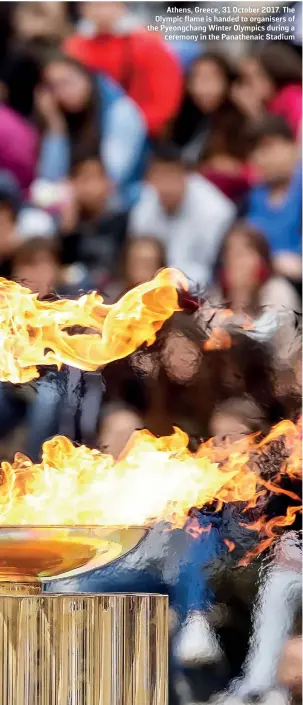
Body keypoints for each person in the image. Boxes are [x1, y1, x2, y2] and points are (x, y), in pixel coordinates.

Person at [36, 54, 147, 205]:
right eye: (54, 87)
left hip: (124, 197)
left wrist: (71, 191)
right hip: (76, 197)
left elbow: (112, 177)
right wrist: (55, 125)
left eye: (67, 82)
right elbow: (49, 178)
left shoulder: (120, 111)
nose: (62, 92)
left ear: (86, 77)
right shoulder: (62, 114)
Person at [63, 1, 182, 137]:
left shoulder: (148, 44)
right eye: (95, 5)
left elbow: (164, 102)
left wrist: (131, 126)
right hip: (86, 129)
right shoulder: (73, 48)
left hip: (138, 130)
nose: (102, 12)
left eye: (108, 4)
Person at [129, 143, 236, 288]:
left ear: (186, 175)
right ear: (149, 179)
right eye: (159, 176)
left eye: (172, 175)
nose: (166, 185)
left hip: (204, 291)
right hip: (155, 287)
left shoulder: (215, 210)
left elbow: (210, 270)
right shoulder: (143, 206)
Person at [172, 52, 249, 203]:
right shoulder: (187, 117)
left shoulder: (240, 121)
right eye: (196, 79)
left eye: (210, 79)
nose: (202, 88)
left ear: (228, 81)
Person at [245, 116, 302, 288]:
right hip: (259, 289)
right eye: (254, 151)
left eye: (267, 147)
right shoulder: (251, 198)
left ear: (292, 145)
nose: (260, 157)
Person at [58, 155, 128, 292]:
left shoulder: (121, 221)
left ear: (108, 183)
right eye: (85, 179)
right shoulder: (64, 223)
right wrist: (67, 231)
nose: (92, 187)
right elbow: (61, 268)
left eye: (98, 178)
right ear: (72, 184)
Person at [232, 43, 302, 137]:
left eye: (256, 76)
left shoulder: (292, 97)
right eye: (243, 80)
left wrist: (254, 112)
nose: (247, 85)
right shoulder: (270, 104)